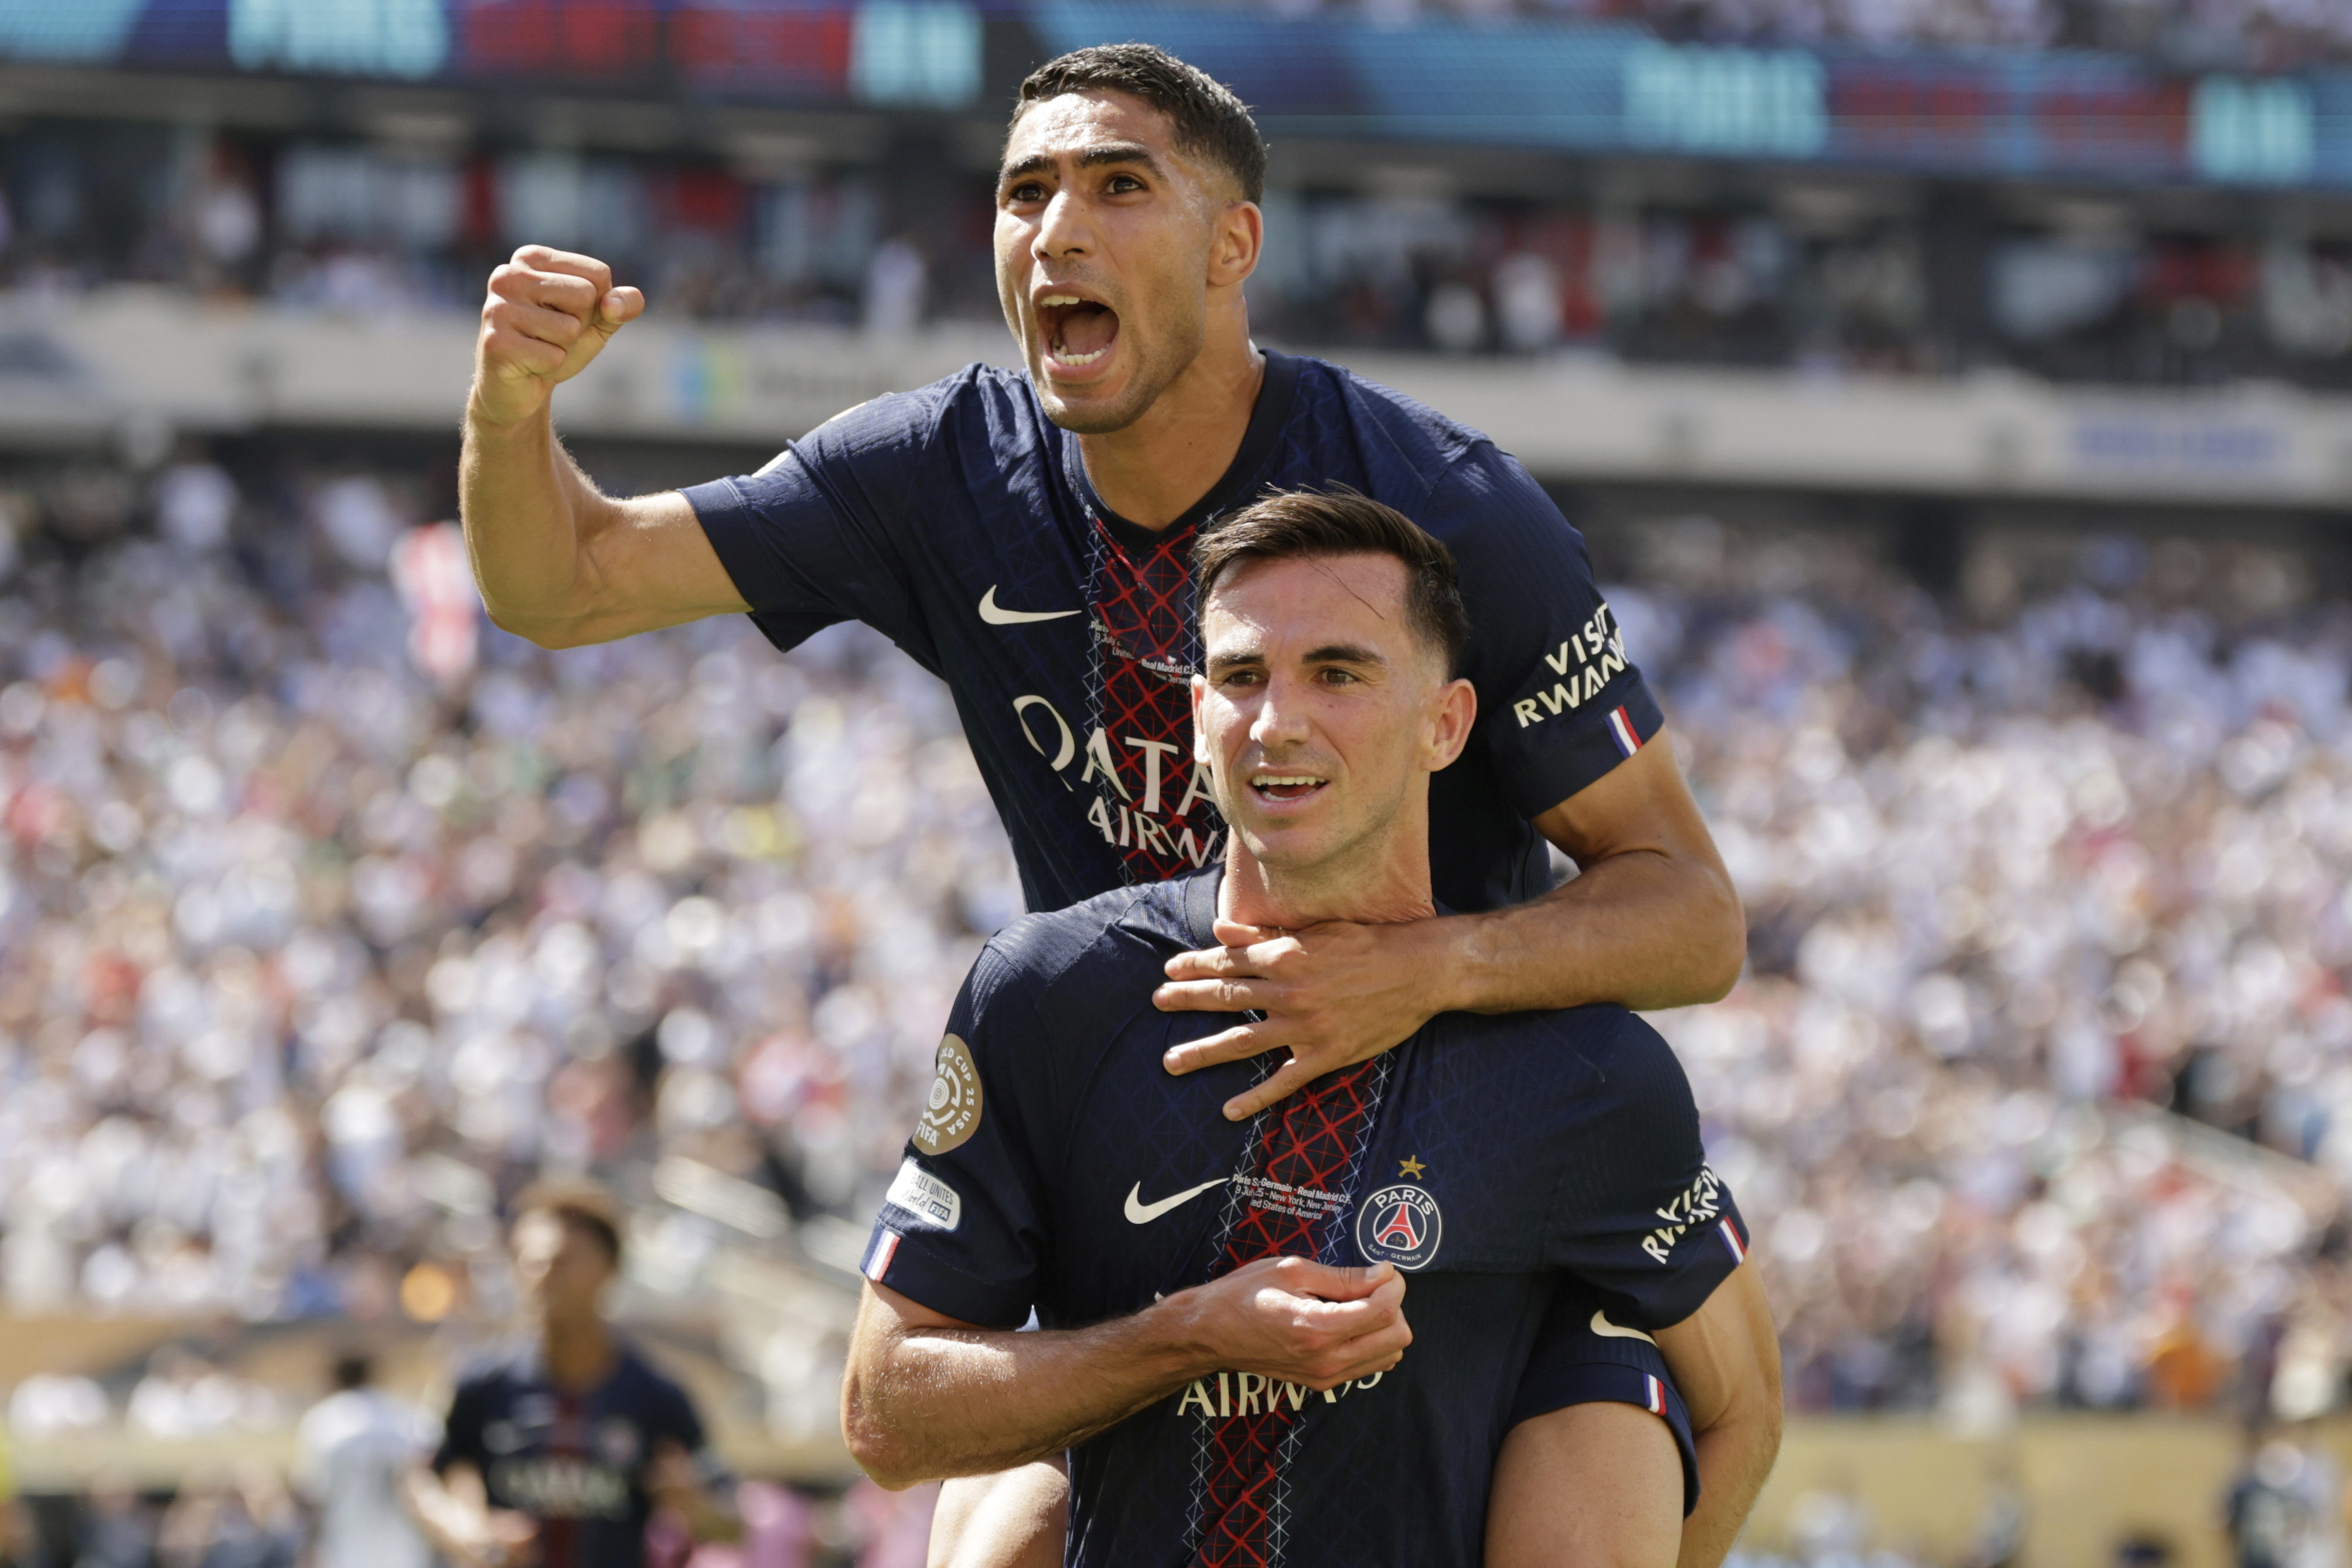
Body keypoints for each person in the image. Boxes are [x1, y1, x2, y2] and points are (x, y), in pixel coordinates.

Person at [460, 39, 1746, 1562]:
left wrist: (1427, 967)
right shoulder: (942, 471)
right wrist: (510, 406)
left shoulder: (1445, 513)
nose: (1054, 227)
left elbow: (1690, 913)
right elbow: (568, 580)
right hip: (1143, 1169)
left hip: (1461, 1185)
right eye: (1023, 192)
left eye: (1116, 183)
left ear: (1232, 245)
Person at [839, 492, 1782, 1568]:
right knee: (1003, 1516)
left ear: (1447, 723)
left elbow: (1740, 1406)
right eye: (1241, 678)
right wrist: (1185, 1336)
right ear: (1195, 717)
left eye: (1337, 672)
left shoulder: (1582, 1073)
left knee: (1624, 1409)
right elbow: (886, 1409)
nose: (1276, 720)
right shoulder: (1049, 993)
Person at [400, 1182, 740, 1568]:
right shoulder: (480, 1385)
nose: (542, 1278)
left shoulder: (656, 1395)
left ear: (610, 1269)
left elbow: (735, 1522)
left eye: (561, 1262)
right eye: (530, 1264)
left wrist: (696, 1510)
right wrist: (468, 1532)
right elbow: (420, 1482)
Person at [294, 1354, 434, 1568]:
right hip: (404, 1542)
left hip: (345, 1542)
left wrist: (310, 1545)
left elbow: (312, 1494)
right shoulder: (407, 1417)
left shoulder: (323, 1422)